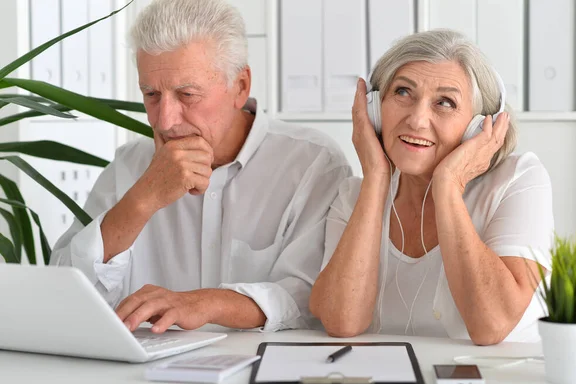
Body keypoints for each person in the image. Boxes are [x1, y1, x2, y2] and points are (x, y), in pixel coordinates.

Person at [50, 0, 351, 334]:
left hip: (262, 372)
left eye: (187, 95)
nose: (165, 120)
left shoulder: (312, 163)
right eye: (151, 94)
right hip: (147, 376)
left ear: (240, 86)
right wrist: (142, 200)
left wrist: (206, 303)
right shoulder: (129, 165)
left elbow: (311, 295)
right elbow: (65, 289)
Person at [309, 30, 554, 345]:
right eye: (402, 92)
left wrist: (448, 186)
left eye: (445, 102)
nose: (417, 119)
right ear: (373, 109)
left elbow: (492, 324)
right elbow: (342, 322)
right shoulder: (353, 196)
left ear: (478, 127)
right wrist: (375, 178)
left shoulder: (517, 180)